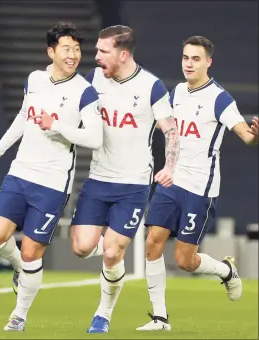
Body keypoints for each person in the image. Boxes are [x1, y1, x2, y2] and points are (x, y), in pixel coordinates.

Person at [0, 22, 103, 332]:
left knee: (33, 251)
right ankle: (18, 266)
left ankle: (18, 316)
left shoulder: (84, 92)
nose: (73, 55)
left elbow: (95, 138)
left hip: (52, 182)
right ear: (51, 51)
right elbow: (23, 116)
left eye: (77, 49)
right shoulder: (34, 79)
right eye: (66, 49)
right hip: (20, 172)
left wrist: (57, 126)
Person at [136, 35, 259, 332]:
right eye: (185, 58)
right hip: (171, 180)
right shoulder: (177, 91)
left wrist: (256, 134)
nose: (189, 64)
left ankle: (226, 271)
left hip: (200, 189)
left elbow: (245, 135)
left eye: (195, 59)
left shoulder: (220, 98)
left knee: (184, 260)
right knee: (152, 241)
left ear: (208, 62)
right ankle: (160, 318)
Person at [70, 25, 180, 333]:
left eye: (102, 52)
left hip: (133, 184)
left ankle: (103, 314)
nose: (96, 57)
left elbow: (171, 131)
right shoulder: (93, 80)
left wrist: (170, 167)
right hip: (97, 179)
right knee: (80, 248)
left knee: (111, 253)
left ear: (123, 54)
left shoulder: (151, 86)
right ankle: (111, 244)